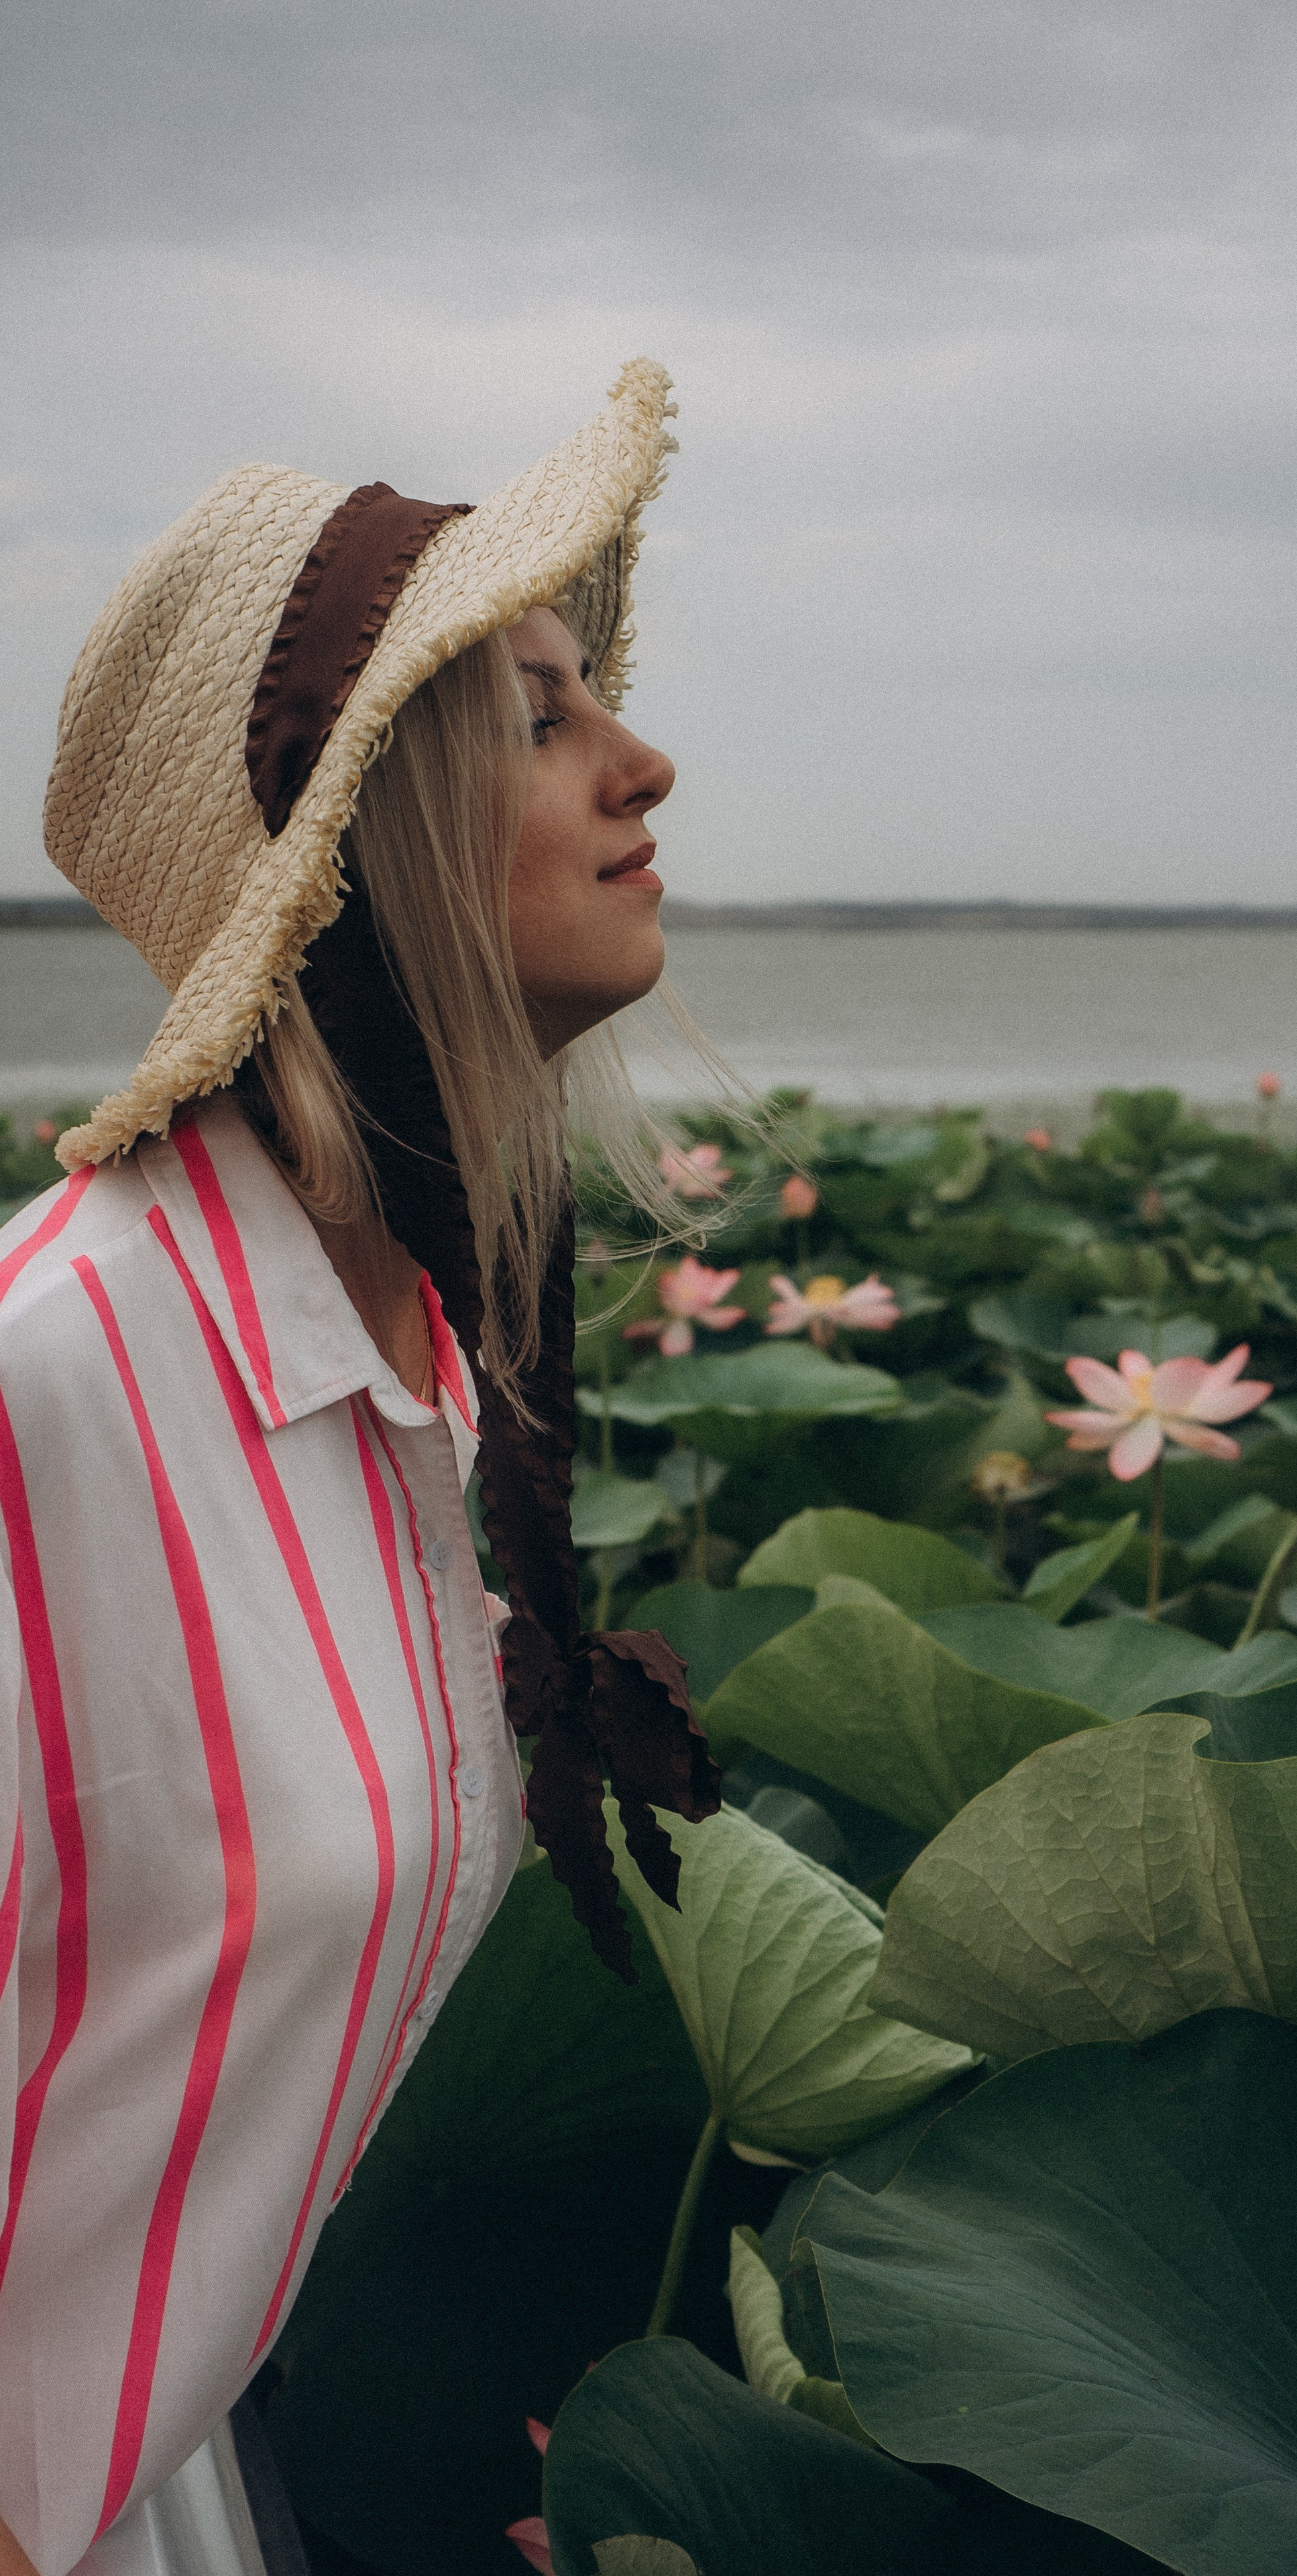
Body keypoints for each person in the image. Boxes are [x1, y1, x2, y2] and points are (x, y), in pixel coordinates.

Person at [0, 360, 721, 2576]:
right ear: (355, 852)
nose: (644, 762)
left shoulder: (425, 1362)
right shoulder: (51, 1384)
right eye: (532, 715)